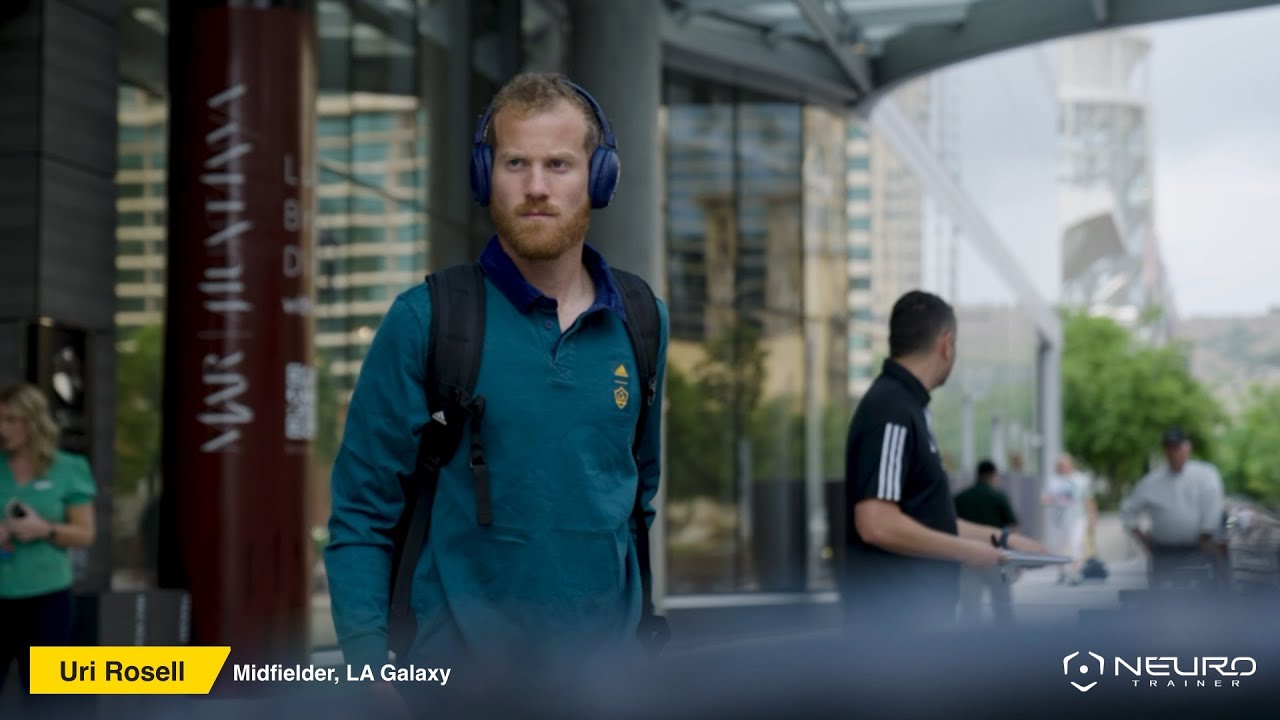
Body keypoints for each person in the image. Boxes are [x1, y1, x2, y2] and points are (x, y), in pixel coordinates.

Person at [324, 72, 668, 686]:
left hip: (607, 687)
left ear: (601, 176)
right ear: (486, 176)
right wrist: (371, 678)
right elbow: (361, 515)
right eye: (515, 163)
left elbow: (635, 497)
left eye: (559, 164)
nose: (536, 187)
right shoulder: (426, 320)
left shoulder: (642, 322)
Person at [842, 291, 1047, 630]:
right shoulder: (892, 411)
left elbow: (927, 520)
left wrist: (1003, 540)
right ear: (946, 343)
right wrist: (966, 551)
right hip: (895, 636)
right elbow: (876, 523)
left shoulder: (905, 408)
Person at [0, 382, 97, 704]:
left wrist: (44, 529)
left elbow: (85, 533)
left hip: (46, 598)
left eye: (11, 420)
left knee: (46, 699)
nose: (3, 429)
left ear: (33, 422)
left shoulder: (68, 469)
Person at [1121, 428, 1224, 589]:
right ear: (1165, 451)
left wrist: (1207, 534)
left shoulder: (1205, 474)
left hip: (1198, 549)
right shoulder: (1151, 481)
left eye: (1178, 447)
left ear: (1187, 448)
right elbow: (1128, 511)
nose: (1174, 453)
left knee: (1202, 601)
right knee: (1164, 601)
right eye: (1170, 448)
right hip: (1163, 552)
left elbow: (1213, 505)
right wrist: (1143, 540)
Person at [954, 459, 1019, 625]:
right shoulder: (998, 496)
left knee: (970, 609)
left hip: (968, 560)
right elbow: (1011, 529)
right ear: (992, 475)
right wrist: (1016, 559)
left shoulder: (960, 498)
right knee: (1003, 607)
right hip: (995, 559)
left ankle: (970, 647)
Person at [1041, 454, 1096, 584]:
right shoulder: (1053, 481)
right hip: (1059, 520)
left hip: (1077, 517)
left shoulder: (1080, 479)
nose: (1063, 468)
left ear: (1071, 465)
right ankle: (1062, 571)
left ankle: (1075, 572)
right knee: (1059, 546)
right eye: (1061, 465)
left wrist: (1092, 516)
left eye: (1066, 465)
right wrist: (1053, 500)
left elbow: (1088, 499)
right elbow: (1044, 500)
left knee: (1076, 544)